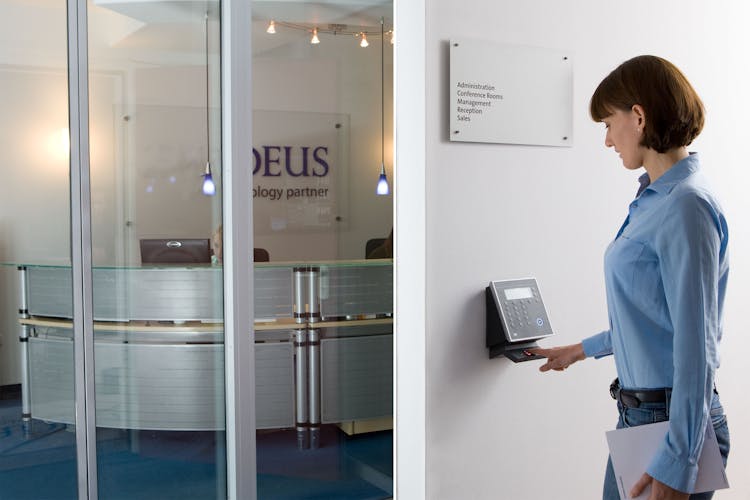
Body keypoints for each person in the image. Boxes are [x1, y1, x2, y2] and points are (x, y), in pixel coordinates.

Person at [530, 55, 730, 500]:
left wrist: (678, 465)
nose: (606, 140)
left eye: (607, 123)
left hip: (671, 427)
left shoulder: (685, 205)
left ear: (638, 116)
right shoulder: (653, 200)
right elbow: (654, 318)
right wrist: (581, 350)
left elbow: (697, 348)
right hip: (643, 418)